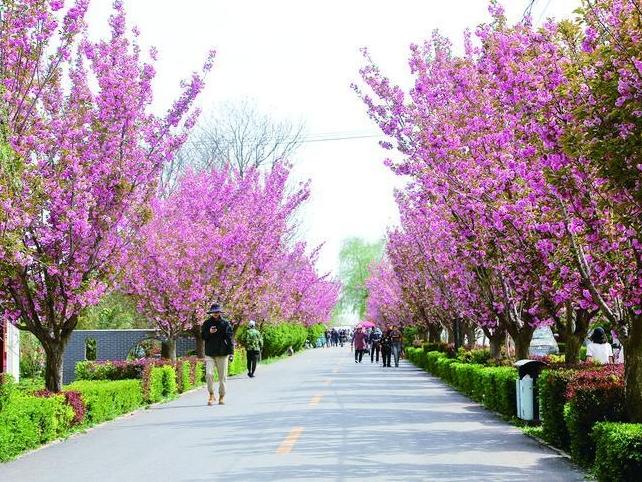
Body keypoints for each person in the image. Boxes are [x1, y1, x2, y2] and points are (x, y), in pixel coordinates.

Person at [201, 303, 234, 405]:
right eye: (213, 312)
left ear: (220, 312)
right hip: (210, 353)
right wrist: (209, 332)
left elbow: (229, 339)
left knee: (222, 377)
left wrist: (231, 352)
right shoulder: (206, 324)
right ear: (211, 313)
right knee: (209, 374)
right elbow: (203, 337)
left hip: (222, 353)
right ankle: (211, 394)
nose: (215, 313)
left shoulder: (225, 324)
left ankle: (221, 396)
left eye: (217, 311)